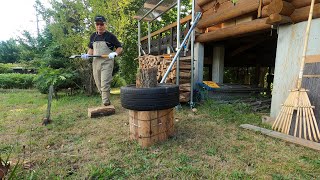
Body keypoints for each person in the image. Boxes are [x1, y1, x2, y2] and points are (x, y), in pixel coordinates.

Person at [81, 15, 123, 106]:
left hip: (107, 62)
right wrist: (88, 55)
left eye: (101, 24)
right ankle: (105, 100)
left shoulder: (110, 36)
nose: (99, 26)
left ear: (105, 25)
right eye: (97, 24)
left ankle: (106, 103)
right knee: (98, 83)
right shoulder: (93, 36)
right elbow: (91, 49)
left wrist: (115, 53)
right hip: (96, 63)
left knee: (105, 83)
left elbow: (120, 48)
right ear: (95, 25)